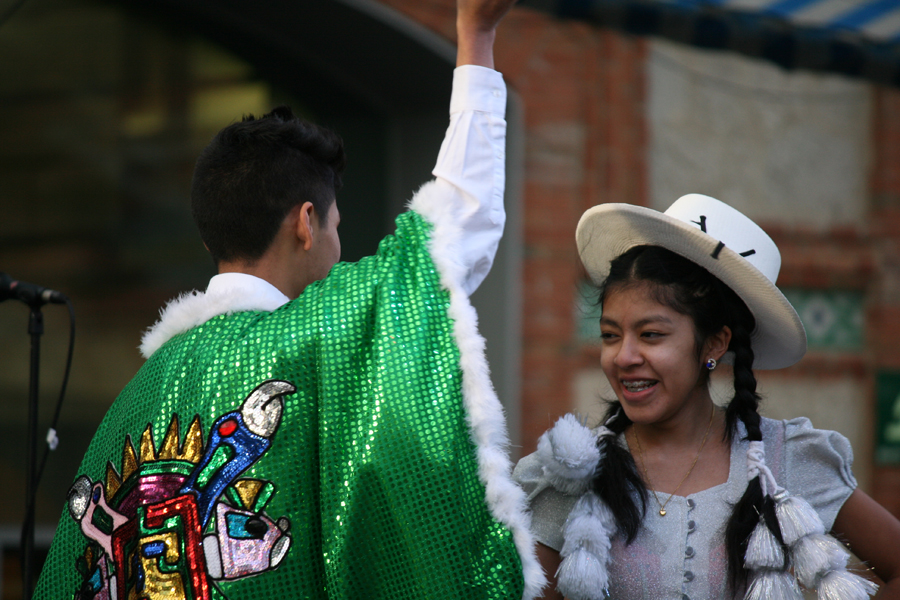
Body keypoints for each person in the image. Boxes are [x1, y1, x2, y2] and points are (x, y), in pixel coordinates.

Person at [32, 1, 547, 598]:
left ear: (209, 235)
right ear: (306, 222)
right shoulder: (315, 336)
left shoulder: (141, 392)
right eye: (335, 226)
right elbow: (456, 224)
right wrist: (475, 34)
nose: (338, 247)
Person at [513, 194, 900, 600]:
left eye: (651, 335)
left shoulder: (786, 460)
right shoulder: (570, 475)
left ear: (714, 344)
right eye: (610, 335)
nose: (624, 357)